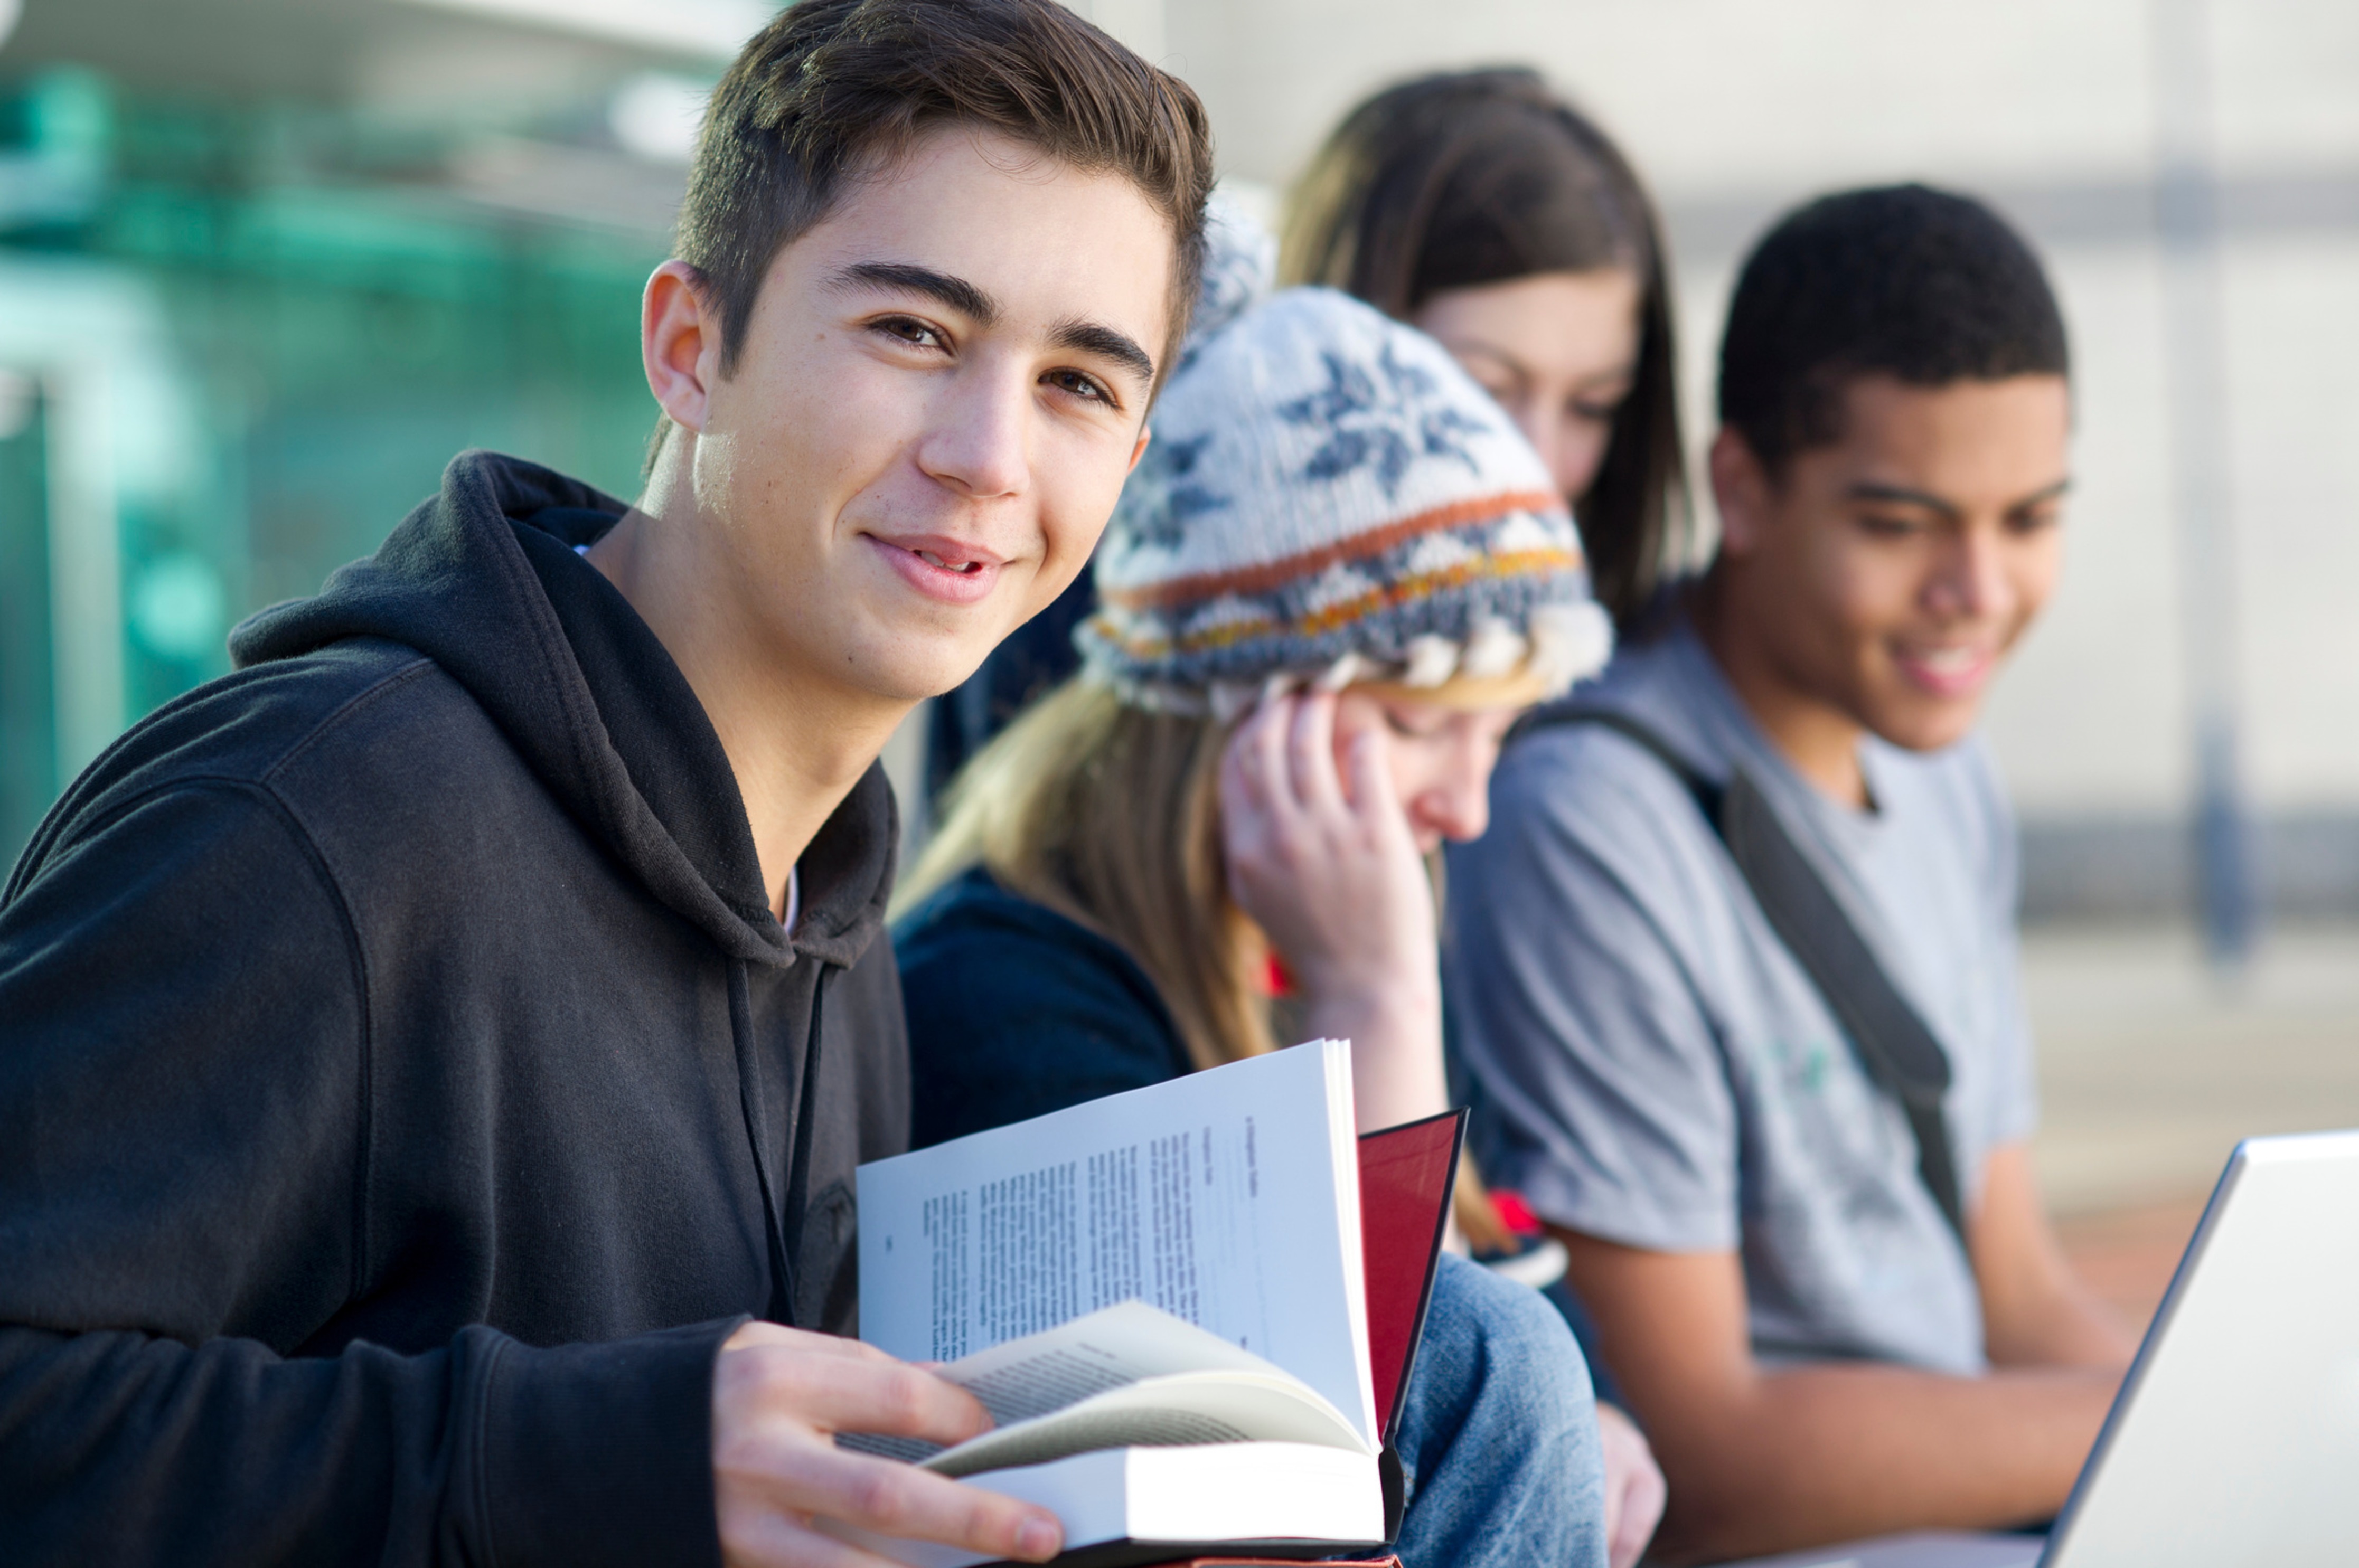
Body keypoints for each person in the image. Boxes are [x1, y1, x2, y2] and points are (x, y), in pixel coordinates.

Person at [0, 3, 1213, 1564]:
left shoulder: (834, 906)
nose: (990, 453)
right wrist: (572, 1460)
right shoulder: (324, 819)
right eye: (915, 332)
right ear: (688, 347)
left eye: (1080, 385)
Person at [1444, 185, 2139, 1564]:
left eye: (2027, 519)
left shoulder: (1945, 767)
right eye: (1900, 525)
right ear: (1743, 488)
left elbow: (2012, 1291)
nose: (1976, 589)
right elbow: (1710, 1461)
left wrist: (2242, 1427)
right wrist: (2164, 1411)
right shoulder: (1589, 822)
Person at [894, 280, 1621, 1568]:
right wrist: (1376, 1007)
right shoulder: (999, 992)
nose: (1465, 804)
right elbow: (1366, 1441)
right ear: (1234, 714)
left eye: (1497, 735)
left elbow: (1531, 1392)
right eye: (1412, 725)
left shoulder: (1293, 934)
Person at [925, 66, 1687, 792]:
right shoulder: (1114, 586)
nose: (1541, 457)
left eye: (1594, 406)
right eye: (1482, 389)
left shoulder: (1612, 660)